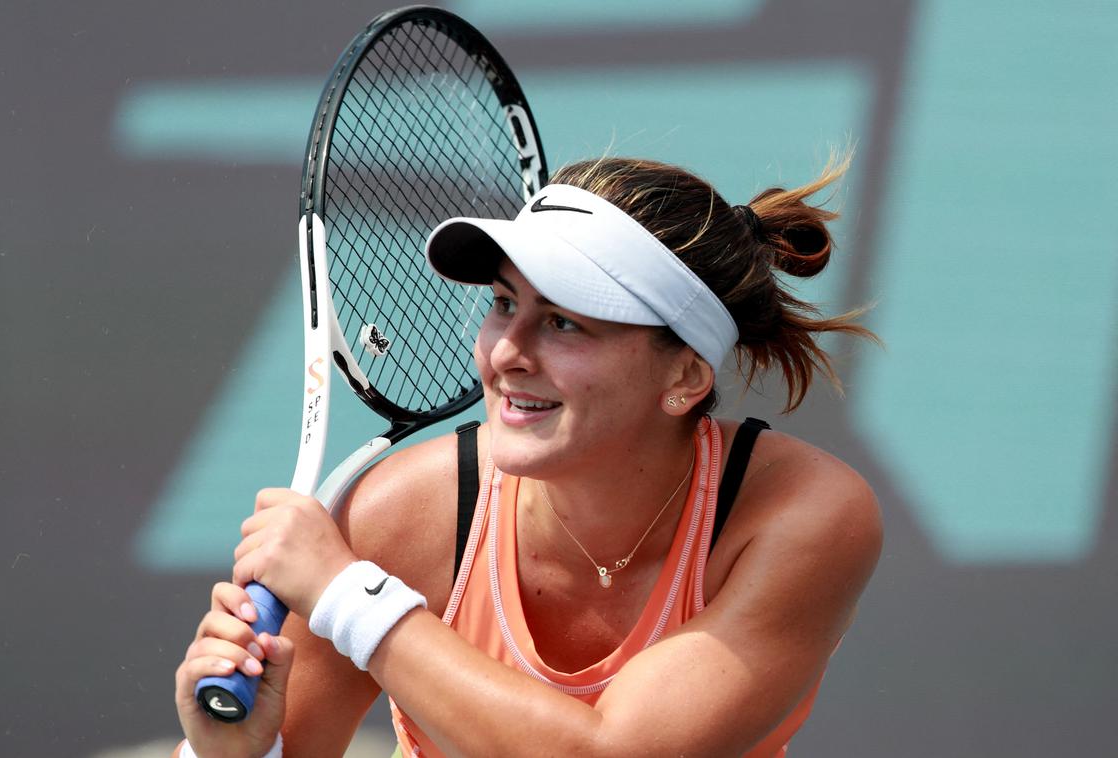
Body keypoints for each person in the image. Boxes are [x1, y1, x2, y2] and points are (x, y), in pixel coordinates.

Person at [173, 155, 883, 757]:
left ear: (686, 376)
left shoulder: (804, 516)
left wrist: (349, 601)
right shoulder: (400, 516)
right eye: (504, 304)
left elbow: (616, 752)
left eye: (564, 322)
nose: (507, 353)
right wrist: (236, 751)